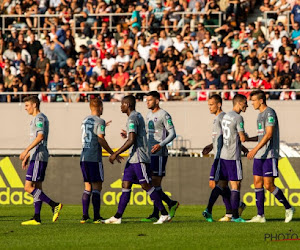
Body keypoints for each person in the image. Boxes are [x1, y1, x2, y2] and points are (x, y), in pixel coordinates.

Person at [103, 95, 171, 224]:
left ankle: (164, 213)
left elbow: (131, 140)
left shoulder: (133, 118)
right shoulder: (137, 115)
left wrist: (115, 153)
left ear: (127, 105)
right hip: (132, 157)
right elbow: (134, 136)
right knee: (125, 184)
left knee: (146, 185)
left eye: (122, 104)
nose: (120, 106)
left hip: (139, 157)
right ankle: (117, 217)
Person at [246, 90, 295, 223]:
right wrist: (249, 139)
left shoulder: (269, 113)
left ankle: (289, 208)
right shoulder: (259, 115)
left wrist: (255, 149)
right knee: (257, 183)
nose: (252, 103)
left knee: (268, 185)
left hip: (269, 155)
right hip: (260, 155)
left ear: (261, 100)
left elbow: (269, 134)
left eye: (254, 100)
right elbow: (262, 135)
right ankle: (260, 216)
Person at [204, 94, 248, 222]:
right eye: (245, 103)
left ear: (219, 104)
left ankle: (223, 211)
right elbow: (239, 137)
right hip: (231, 156)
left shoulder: (225, 116)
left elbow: (226, 137)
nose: (209, 107)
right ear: (239, 103)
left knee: (221, 184)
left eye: (211, 104)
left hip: (222, 156)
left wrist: (244, 149)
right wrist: (254, 138)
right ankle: (234, 214)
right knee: (234, 185)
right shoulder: (236, 117)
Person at [19, 96, 62, 225]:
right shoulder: (35, 119)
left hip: (38, 156)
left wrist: (26, 151)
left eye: (27, 105)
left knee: (28, 187)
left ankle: (54, 205)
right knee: (37, 187)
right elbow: (35, 139)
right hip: (35, 156)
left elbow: (40, 136)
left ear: (34, 105)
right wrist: (27, 156)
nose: (25, 108)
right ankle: (36, 218)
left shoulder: (40, 118)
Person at [141, 91, 179, 222]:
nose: (147, 102)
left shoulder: (164, 114)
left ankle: (160, 211)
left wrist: (161, 145)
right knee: (151, 184)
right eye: (147, 100)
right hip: (149, 153)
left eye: (150, 100)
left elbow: (173, 133)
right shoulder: (149, 114)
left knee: (155, 184)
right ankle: (166, 206)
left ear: (157, 101)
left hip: (159, 154)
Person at [80, 98, 119, 223]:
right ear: (100, 107)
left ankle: (85, 216)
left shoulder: (85, 120)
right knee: (97, 187)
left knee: (87, 187)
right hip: (93, 158)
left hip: (83, 157)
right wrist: (113, 153)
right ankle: (96, 217)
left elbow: (91, 132)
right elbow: (100, 139)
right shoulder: (100, 121)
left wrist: (102, 126)